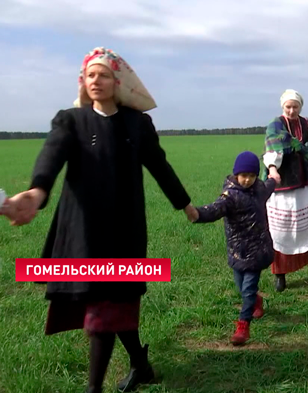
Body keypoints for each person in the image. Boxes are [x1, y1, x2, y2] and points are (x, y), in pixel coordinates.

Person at [0, 47, 197, 393]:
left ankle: (94, 389)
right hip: (81, 233)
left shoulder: (137, 123)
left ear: (116, 81)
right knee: (108, 304)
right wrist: (36, 192)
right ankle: (140, 364)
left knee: (106, 308)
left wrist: (185, 204)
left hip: (123, 231)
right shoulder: (70, 121)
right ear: (83, 81)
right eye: (90, 74)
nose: (96, 80)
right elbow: (52, 155)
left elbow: (159, 166)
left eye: (103, 74)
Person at [191, 151, 277, 345]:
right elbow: (215, 209)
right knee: (242, 288)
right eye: (243, 175)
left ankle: (243, 326)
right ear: (236, 175)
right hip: (238, 251)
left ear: (256, 176)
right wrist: (198, 214)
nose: (247, 180)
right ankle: (257, 301)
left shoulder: (260, 189)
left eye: (252, 176)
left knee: (247, 290)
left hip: (257, 251)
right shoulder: (230, 196)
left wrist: (274, 178)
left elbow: (270, 186)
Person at [261, 89, 308, 292]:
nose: (291, 110)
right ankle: (280, 273)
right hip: (282, 183)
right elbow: (271, 150)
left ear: (300, 107)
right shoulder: (275, 125)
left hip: (304, 179)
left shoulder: (305, 123)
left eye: (295, 107)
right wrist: (272, 169)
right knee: (281, 227)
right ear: (283, 107)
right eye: (288, 107)